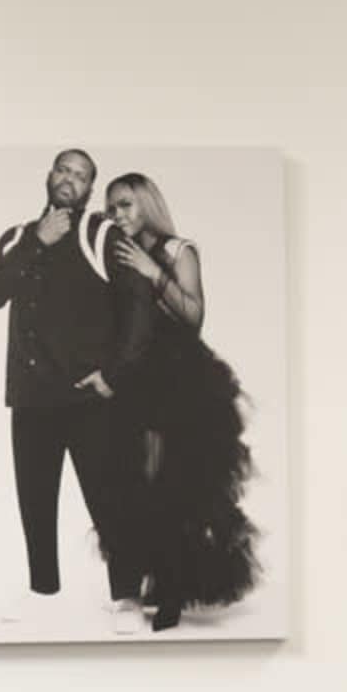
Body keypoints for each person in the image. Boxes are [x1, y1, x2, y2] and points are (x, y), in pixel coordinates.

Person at [92, 173, 257, 631]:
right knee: (129, 482)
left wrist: (152, 272)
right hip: (131, 378)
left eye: (125, 204)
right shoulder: (114, 252)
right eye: (110, 207)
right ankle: (142, 582)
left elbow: (194, 316)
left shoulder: (179, 250)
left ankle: (172, 587)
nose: (116, 214)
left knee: (175, 483)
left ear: (147, 205)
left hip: (179, 379)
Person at [0, 148, 130, 606]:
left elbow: (134, 308)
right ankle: (43, 597)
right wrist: (37, 241)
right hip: (30, 398)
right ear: (49, 175)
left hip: (88, 399)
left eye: (81, 176)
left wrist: (114, 373)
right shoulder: (16, 237)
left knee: (109, 505)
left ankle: (125, 598)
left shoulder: (99, 234)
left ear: (89, 190)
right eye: (64, 169)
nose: (69, 179)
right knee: (36, 507)